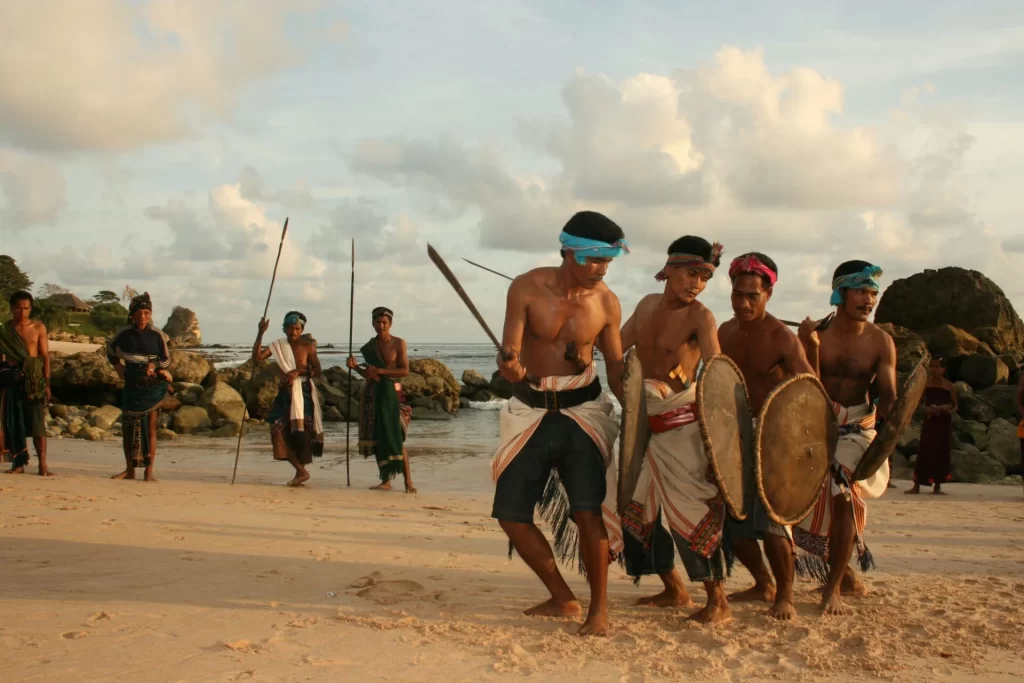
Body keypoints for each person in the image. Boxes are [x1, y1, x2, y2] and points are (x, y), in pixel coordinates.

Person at [492, 210, 628, 637]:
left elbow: (617, 368)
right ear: (568, 252)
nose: (601, 270)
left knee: (589, 513)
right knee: (511, 514)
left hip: (583, 414)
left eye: (607, 262)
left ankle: (599, 610)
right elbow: (510, 349)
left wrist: (640, 416)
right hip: (530, 412)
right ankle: (562, 596)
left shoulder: (606, 302)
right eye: (594, 260)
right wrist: (509, 366)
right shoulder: (526, 288)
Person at [619, 235, 733, 624]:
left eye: (704, 278)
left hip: (681, 425)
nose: (696, 284)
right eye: (690, 274)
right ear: (668, 270)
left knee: (690, 510)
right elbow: (616, 346)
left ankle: (718, 600)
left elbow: (717, 372)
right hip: (641, 424)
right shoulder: (647, 305)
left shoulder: (701, 317)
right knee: (632, 507)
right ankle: (674, 589)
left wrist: (692, 373)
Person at [717, 252, 815, 621]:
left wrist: (800, 445)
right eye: (737, 294)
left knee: (773, 522)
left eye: (752, 296)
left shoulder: (782, 338)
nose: (743, 303)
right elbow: (712, 383)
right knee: (735, 520)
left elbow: (810, 390)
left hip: (773, 436)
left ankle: (785, 595)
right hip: (734, 435)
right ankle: (762, 583)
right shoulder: (724, 332)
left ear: (769, 294)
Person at [796, 260, 897, 615]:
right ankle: (847, 574)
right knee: (793, 501)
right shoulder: (816, 336)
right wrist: (808, 348)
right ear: (840, 293)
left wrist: (892, 430)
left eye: (873, 293)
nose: (869, 300)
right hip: (818, 426)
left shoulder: (880, 341)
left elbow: (888, 396)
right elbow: (809, 388)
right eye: (861, 291)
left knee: (842, 497)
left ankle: (832, 587)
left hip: (857, 430)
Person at [347, 306, 415, 493]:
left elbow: (404, 370)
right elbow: (369, 374)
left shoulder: (399, 343)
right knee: (377, 436)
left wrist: (381, 371)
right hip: (372, 394)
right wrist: (355, 368)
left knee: (395, 436)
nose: (381, 325)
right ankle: (385, 480)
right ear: (373, 324)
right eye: (377, 322)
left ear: (390, 324)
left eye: (384, 322)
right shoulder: (370, 347)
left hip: (392, 394)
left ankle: (408, 482)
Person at [107, 292, 173, 482]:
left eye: (147, 313)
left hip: (152, 387)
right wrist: (118, 367)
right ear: (132, 314)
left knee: (151, 429)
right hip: (132, 383)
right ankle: (129, 470)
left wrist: (154, 366)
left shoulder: (157, 334)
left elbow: (166, 359)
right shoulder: (123, 334)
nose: (143, 317)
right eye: (140, 313)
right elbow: (110, 348)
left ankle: (148, 471)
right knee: (128, 429)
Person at [253, 311, 324, 486]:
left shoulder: (309, 347)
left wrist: (298, 371)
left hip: (304, 394)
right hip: (285, 395)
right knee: (277, 430)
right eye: (290, 328)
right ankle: (301, 471)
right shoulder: (278, 345)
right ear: (284, 329)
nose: (294, 332)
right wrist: (260, 332)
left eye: (297, 328)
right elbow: (257, 358)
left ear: (302, 329)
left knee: (301, 435)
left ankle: (300, 472)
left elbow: (317, 371)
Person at [0, 291, 52, 476]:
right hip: (12, 381)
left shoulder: (38, 327)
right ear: (12, 308)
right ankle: (19, 464)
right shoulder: (5, 329)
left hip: (34, 381)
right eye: (19, 308)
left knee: (38, 425)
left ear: (30, 308)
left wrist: (47, 383)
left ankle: (43, 465)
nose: (22, 311)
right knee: (14, 422)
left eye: (26, 308)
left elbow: (45, 356)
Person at [906, 357, 957, 495]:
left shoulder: (949, 386)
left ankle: (938, 486)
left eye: (937, 366)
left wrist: (946, 409)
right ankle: (917, 485)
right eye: (932, 366)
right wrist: (927, 409)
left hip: (943, 422)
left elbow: (955, 406)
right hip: (930, 420)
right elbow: (918, 402)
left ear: (944, 369)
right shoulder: (926, 384)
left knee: (941, 451)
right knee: (925, 450)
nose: (934, 369)